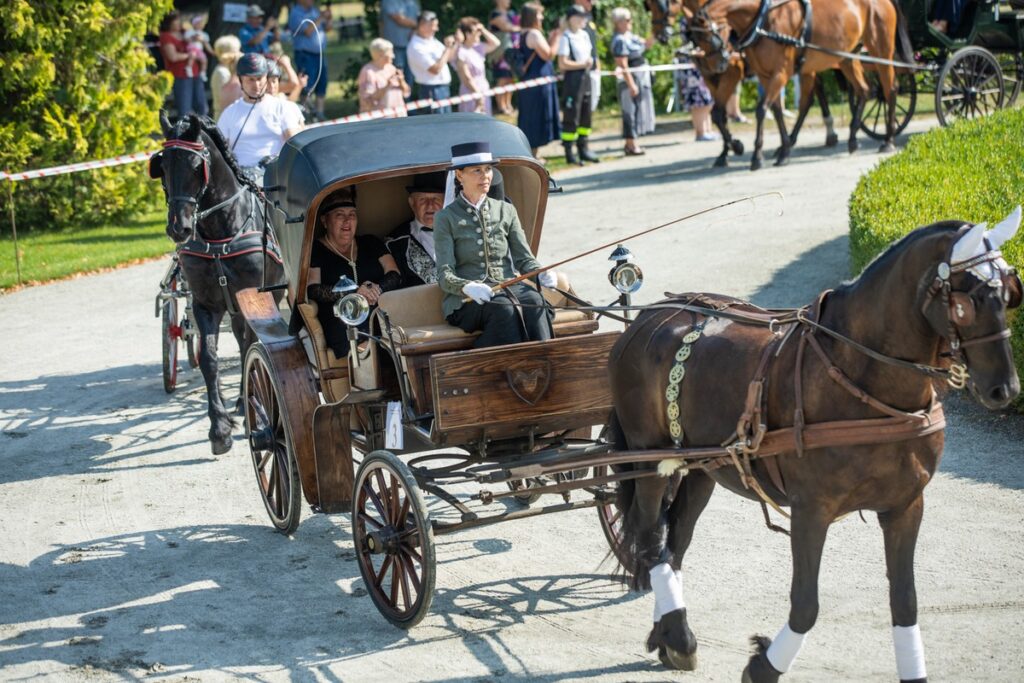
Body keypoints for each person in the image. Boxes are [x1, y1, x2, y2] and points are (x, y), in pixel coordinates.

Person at [434, 142, 559, 349]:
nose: (485, 176)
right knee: (504, 309)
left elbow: (524, 259)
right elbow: (444, 274)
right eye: (477, 170)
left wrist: (540, 273)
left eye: (488, 169)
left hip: (510, 288)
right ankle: (491, 371)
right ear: (459, 175)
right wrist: (466, 287)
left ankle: (545, 364)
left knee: (536, 302)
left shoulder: (505, 210)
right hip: (465, 301)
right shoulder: (446, 218)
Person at [307, 187, 402, 358]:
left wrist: (377, 289)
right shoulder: (316, 250)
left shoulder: (370, 242)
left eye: (351, 215)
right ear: (324, 220)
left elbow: (394, 272)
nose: (347, 221)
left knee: (398, 341)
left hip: (380, 315)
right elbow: (313, 288)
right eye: (339, 215)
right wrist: (354, 292)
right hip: (341, 320)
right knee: (375, 349)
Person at [216, 53, 304, 181]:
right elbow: (220, 153)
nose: (256, 85)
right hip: (241, 180)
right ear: (241, 80)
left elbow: (296, 145)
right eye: (250, 80)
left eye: (260, 79)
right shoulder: (229, 113)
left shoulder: (283, 108)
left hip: (275, 177)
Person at [515, 3, 562, 160]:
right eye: (539, 14)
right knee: (536, 116)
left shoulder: (523, 33)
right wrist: (557, 39)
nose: (542, 17)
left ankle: (534, 153)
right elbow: (548, 55)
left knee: (530, 116)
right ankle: (533, 155)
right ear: (533, 16)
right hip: (538, 81)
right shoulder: (534, 34)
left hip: (530, 80)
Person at [386, 172, 446, 287]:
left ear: (445, 202)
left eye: (436, 199)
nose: (430, 205)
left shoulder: (462, 232)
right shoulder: (395, 243)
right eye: (423, 199)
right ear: (412, 203)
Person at [610, 7, 655, 156]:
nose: (631, 22)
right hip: (629, 79)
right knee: (629, 111)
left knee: (636, 110)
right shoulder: (619, 40)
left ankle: (631, 143)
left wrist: (657, 30)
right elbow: (622, 64)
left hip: (639, 77)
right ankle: (630, 144)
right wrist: (631, 84)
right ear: (619, 22)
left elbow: (647, 44)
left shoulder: (630, 36)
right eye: (628, 20)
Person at [557, 5, 599, 165]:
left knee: (585, 114)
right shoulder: (565, 37)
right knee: (571, 115)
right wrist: (582, 64)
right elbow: (562, 63)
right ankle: (569, 152)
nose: (584, 19)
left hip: (586, 78)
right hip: (573, 80)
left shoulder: (585, 35)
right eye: (580, 16)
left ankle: (584, 149)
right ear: (571, 19)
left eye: (584, 16)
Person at [159, 11, 208, 118]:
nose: (179, 22)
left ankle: (203, 132)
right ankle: (185, 133)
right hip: (180, 75)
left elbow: (196, 38)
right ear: (169, 23)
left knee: (201, 106)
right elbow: (172, 56)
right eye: (176, 21)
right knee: (185, 109)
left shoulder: (185, 32)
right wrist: (189, 55)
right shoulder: (165, 36)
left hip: (195, 72)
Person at [407, 11, 458, 114]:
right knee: (437, 127)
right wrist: (447, 48)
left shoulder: (431, 40)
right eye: (434, 26)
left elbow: (448, 58)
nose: (437, 29)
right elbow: (435, 69)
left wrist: (455, 44)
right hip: (431, 90)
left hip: (442, 89)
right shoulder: (416, 47)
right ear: (423, 26)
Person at [288, 0, 331, 121]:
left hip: (320, 54)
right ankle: (305, 113)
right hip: (305, 54)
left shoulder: (314, 10)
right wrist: (321, 17)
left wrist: (328, 18)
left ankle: (319, 113)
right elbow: (308, 31)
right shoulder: (295, 13)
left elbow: (327, 28)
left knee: (322, 83)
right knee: (307, 84)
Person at [455, 17, 501, 114]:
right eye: (476, 31)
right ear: (467, 34)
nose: (479, 33)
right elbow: (466, 78)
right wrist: (477, 95)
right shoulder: (462, 52)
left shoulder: (479, 48)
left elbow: (496, 43)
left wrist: (483, 30)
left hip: (483, 88)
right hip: (471, 91)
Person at [358, 38, 411, 113]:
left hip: (398, 115)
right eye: (390, 52)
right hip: (380, 119)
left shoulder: (392, 68)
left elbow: (406, 93)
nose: (393, 56)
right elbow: (367, 102)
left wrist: (402, 81)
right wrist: (387, 86)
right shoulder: (368, 72)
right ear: (380, 54)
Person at [488, 0, 520, 115]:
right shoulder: (495, 15)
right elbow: (507, 27)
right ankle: (501, 106)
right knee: (502, 79)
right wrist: (522, 27)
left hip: (512, 52)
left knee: (511, 79)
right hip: (499, 54)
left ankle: (508, 104)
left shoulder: (512, 13)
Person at [381, 0, 420, 87]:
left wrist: (416, 29)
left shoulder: (413, 2)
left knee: (409, 79)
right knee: (397, 78)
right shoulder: (389, 1)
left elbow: (418, 17)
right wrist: (421, 25)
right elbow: (399, 19)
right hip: (395, 47)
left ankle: (407, 99)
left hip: (411, 46)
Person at [211, 35, 243, 118]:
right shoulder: (221, 72)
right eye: (237, 50)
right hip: (224, 117)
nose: (240, 53)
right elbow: (224, 100)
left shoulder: (227, 70)